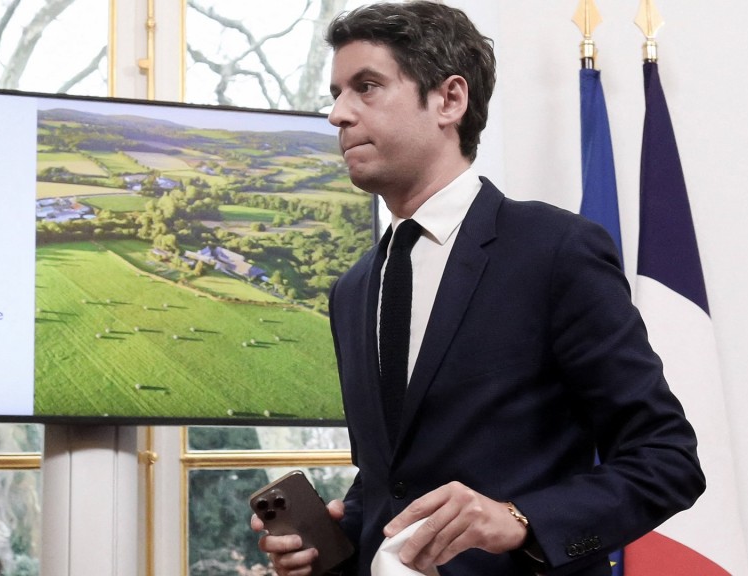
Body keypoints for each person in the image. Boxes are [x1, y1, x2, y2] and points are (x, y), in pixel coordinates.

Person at [251, 2, 705, 575]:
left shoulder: (555, 250)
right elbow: (389, 482)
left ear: (450, 100)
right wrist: (327, 549)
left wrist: (520, 520)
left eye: (366, 87)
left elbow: (667, 461)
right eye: (337, 92)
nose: (338, 114)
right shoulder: (353, 289)